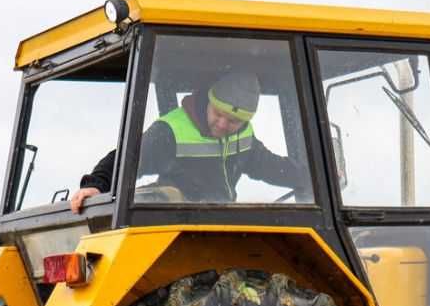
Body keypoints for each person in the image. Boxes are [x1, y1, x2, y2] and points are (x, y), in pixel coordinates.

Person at [67, 70, 310, 211]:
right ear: (209, 102)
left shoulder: (243, 137)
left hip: (218, 220)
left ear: (245, 121)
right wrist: (97, 184)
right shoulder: (171, 131)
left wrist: (311, 179)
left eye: (233, 122)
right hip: (177, 223)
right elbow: (127, 159)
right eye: (219, 114)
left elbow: (270, 167)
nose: (223, 125)